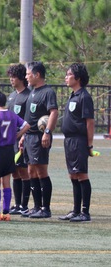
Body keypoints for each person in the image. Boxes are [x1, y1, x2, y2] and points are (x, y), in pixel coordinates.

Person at [19, 61, 58, 219]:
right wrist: (23, 135)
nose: (26, 77)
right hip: (29, 136)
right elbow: (29, 117)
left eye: (28, 74)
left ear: (37, 75)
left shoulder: (48, 92)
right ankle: (36, 207)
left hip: (39, 137)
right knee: (30, 171)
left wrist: (47, 132)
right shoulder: (31, 91)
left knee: (41, 170)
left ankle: (45, 208)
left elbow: (53, 112)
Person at [0, 91, 30, 221]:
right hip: (10, 150)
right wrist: (16, 136)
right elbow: (27, 125)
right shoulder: (12, 115)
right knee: (6, 181)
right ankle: (6, 213)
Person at [59, 63, 93, 222]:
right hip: (69, 140)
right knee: (73, 174)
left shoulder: (84, 96)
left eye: (69, 74)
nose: (66, 77)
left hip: (79, 140)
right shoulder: (73, 95)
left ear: (78, 78)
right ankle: (76, 210)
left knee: (81, 174)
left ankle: (85, 213)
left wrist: (89, 144)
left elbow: (89, 122)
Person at [6, 64, 31, 215]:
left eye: (13, 77)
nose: (11, 80)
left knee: (23, 170)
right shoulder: (11, 96)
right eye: (10, 77)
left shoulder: (28, 95)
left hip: (22, 138)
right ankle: (17, 204)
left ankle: (25, 205)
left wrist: (24, 136)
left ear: (22, 78)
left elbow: (29, 120)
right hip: (11, 140)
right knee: (14, 171)